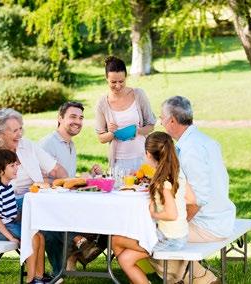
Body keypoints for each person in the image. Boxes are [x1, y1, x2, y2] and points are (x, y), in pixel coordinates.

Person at [151, 96, 236, 283]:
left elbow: (197, 199)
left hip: (209, 224)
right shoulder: (203, 140)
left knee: (147, 236)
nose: (161, 123)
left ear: (172, 120)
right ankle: (194, 274)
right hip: (222, 216)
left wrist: (177, 227)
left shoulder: (190, 150)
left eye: (162, 118)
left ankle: (201, 278)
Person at [39, 102, 106, 275]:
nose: (78, 121)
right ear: (60, 118)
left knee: (106, 215)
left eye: (81, 118)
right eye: (73, 117)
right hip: (49, 206)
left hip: (67, 203)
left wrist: (88, 175)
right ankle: (78, 250)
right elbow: (41, 180)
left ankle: (79, 253)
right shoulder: (48, 144)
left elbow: (66, 179)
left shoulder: (70, 144)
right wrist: (74, 180)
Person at [112, 131, 188, 284]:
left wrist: (153, 213)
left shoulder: (163, 181)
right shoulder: (176, 173)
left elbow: (172, 214)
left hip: (169, 238)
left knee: (116, 241)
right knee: (125, 258)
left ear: (148, 154)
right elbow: (190, 198)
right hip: (179, 233)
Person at [0, 108, 68, 212]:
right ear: (0, 134)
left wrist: (68, 188)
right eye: (15, 131)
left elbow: (55, 169)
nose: (20, 134)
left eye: (20, 129)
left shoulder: (27, 145)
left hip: (35, 204)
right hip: (6, 211)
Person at [0, 149, 46, 284]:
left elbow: (11, 212)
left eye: (16, 164)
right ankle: (31, 279)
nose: (17, 168)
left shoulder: (7, 186)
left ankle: (40, 276)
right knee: (32, 238)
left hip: (7, 224)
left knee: (39, 236)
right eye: (12, 165)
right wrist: (11, 237)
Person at [95, 56, 156, 171]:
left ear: (126, 77)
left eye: (121, 81)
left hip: (143, 158)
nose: (118, 86)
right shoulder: (102, 103)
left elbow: (151, 126)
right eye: (113, 82)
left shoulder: (138, 95)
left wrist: (136, 131)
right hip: (119, 163)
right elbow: (101, 138)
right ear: (106, 78)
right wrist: (112, 133)